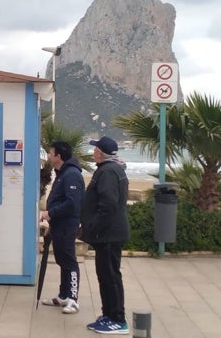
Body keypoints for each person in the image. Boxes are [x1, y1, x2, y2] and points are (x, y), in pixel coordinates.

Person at [80, 136, 130, 335]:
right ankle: (108, 315)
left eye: (95, 149)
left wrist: (93, 227)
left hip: (108, 234)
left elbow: (108, 205)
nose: (93, 152)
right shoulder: (111, 169)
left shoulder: (108, 172)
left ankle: (118, 319)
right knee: (106, 276)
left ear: (100, 153)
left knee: (110, 277)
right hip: (107, 234)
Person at [39, 141, 85, 314]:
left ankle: (73, 299)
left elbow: (72, 203)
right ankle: (63, 294)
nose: (49, 156)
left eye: (51, 153)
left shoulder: (72, 174)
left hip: (67, 225)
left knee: (69, 261)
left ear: (59, 156)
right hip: (58, 224)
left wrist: (50, 213)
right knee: (61, 260)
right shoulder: (62, 173)